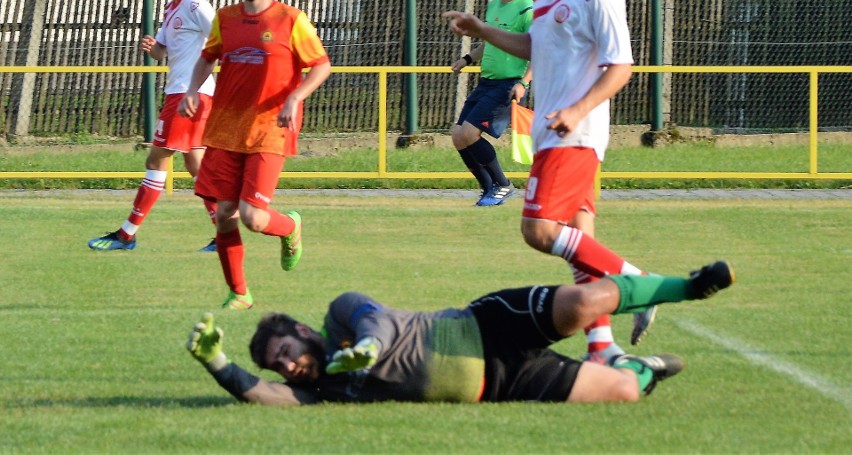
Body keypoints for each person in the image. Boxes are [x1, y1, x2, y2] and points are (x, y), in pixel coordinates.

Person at [443, 0, 656, 363]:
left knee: (537, 230)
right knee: (581, 240)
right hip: (550, 129)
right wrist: (482, 30)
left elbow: (621, 67)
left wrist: (577, 111)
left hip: (574, 133)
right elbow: (534, 46)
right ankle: (602, 349)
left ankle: (638, 284)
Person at [186, 260, 735, 405]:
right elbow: (268, 397)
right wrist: (217, 366)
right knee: (623, 392)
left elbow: (372, 318)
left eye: (286, 352)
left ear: (303, 332)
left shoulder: (338, 315)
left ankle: (686, 287)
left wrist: (367, 350)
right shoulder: (323, 387)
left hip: (483, 324)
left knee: (587, 301)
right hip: (501, 382)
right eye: (281, 365)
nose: (288, 366)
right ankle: (642, 367)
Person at [178, 0, 331, 311]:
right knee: (225, 213)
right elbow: (208, 55)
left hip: (270, 129)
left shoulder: (291, 20)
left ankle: (290, 227)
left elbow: (322, 65)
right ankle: (240, 294)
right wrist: (192, 90)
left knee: (254, 218)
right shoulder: (225, 18)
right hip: (226, 129)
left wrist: (295, 98)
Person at [88, 0, 217, 253]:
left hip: (189, 94)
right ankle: (225, 232)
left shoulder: (195, 3)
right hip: (186, 93)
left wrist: (203, 79)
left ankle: (127, 234)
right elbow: (162, 51)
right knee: (196, 164)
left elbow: (220, 36)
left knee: (156, 159)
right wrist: (154, 48)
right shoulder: (172, 9)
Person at [450, 0, 533, 206]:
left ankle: (503, 184)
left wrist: (524, 82)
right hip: (487, 82)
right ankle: (489, 189)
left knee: (469, 133)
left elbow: (541, 49)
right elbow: (489, 41)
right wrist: (467, 58)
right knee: (457, 135)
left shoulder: (527, 10)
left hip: (508, 85)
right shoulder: (494, 5)